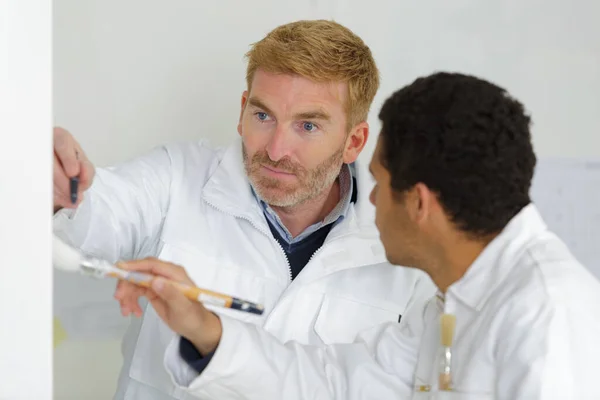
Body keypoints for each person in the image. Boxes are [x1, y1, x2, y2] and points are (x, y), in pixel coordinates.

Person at [120, 72, 600, 399]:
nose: (367, 201)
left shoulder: (548, 312)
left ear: (419, 203)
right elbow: (334, 385)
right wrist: (203, 328)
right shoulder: (454, 304)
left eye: (379, 183)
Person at [52, 20, 435, 399]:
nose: (275, 150)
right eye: (263, 116)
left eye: (307, 126)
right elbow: (95, 213)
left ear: (354, 141)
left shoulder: (404, 252)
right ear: (242, 110)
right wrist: (60, 185)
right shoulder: (176, 178)